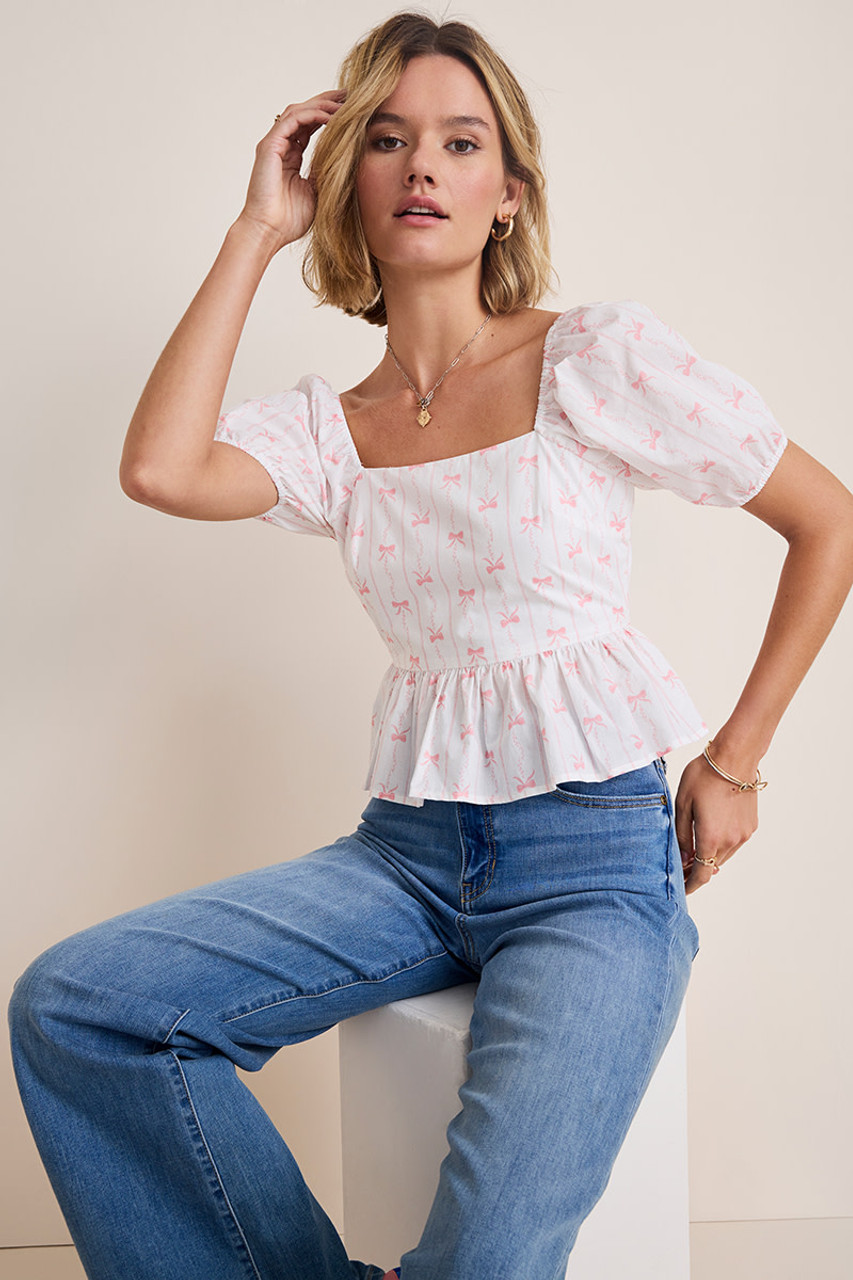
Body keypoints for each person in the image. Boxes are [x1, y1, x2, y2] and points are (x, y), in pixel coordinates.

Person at [9, 12, 853, 1280]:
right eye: (387, 139)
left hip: (591, 864)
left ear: (508, 194)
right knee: (81, 1006)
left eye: (462, 143)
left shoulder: (591, 358)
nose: (422, 166)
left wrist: (733, 761)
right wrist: (256, 230)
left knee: (484, 1260)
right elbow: (161, 468)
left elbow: (828, 520)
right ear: (347, 176)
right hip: (406, 855)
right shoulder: (331, 429)